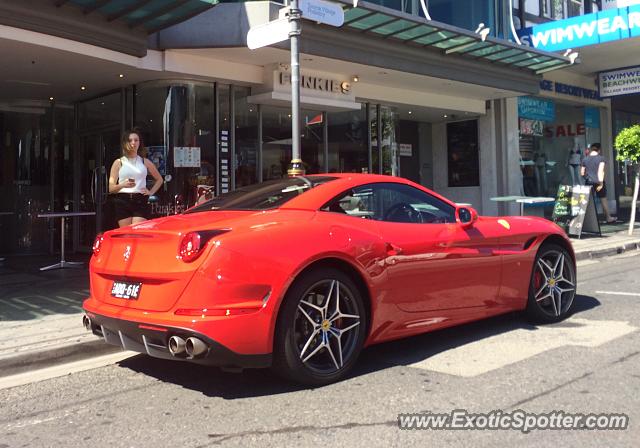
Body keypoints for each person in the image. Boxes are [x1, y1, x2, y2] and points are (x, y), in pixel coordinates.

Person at [109, 130, 163, 228]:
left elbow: (159, 179)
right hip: (123, 199)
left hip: (140, 199)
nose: (133, 143)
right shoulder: (118, 162)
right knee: (126, 233)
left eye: (136, 140)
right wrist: (122, 185)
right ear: (125, 143)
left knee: (137, 231)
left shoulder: (144, 161)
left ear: (139, 143)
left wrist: (150, 192)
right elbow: (111, 188)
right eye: (130, 140)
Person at [581, 143, 616, 223]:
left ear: (591, 150)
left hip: (589, 182)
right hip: (599, 182)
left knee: (588, 201)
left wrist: (587, 178)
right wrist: (600, 183)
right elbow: (600, 171)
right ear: (599, 150)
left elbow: (582, 173)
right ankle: (608, 218)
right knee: (603, 199)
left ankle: (586, 221)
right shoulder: (601, 158)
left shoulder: (585, 159)